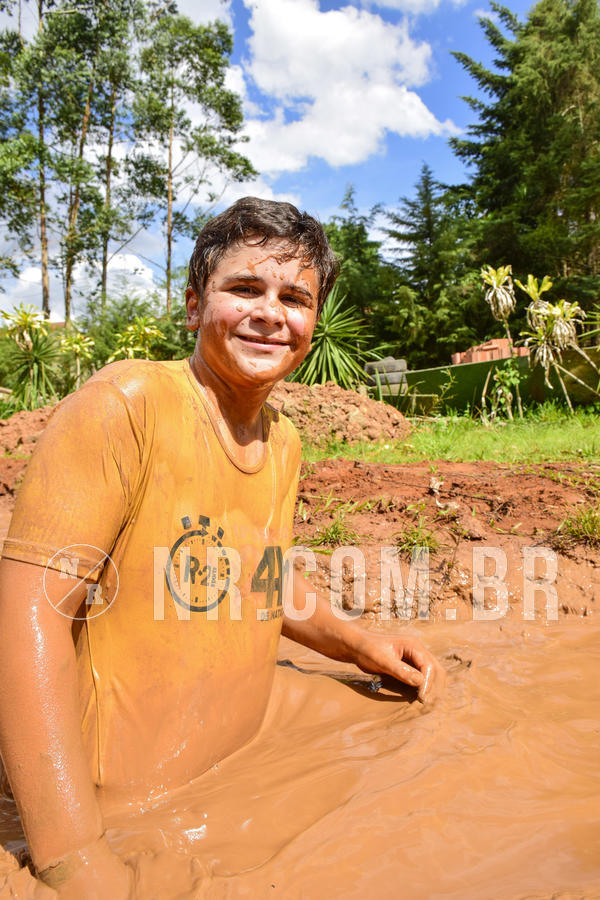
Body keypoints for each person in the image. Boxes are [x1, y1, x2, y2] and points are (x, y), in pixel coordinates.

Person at [0, 197, 444, 898]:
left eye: (294, 297)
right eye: (245, 288)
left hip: (244, 744)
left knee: (422, 727)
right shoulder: (127, 404)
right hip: (119, 795)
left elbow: (261, 580)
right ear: (192, 306)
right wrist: (72, 854)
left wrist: (362, 646)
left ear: (312, 324)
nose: (271, 312)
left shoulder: (284, 441)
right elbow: (28, 618)